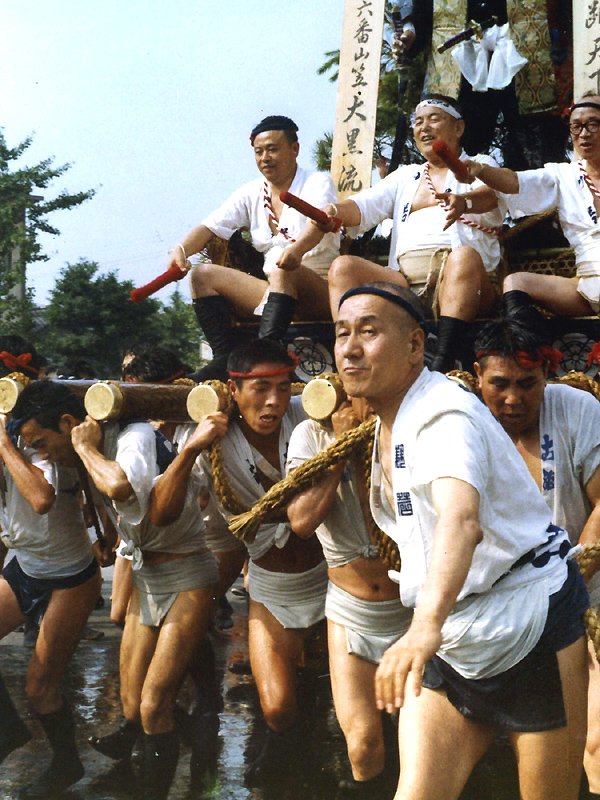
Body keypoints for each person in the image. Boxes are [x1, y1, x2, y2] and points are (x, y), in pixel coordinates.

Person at [334, 280, 589, 800]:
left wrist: (422, 628)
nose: (350, 348)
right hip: (451, 634)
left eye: (368, 331)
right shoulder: (392, 417)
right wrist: (431, 625)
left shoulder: (444, 414)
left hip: (528, 620)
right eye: (341, 333)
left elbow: (461, 519)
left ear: (415, 346)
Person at [11, 380, 218, 800]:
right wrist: (104, 533)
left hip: (188, 573)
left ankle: (185, 754)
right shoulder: (90, 446)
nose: (42, 454)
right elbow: (104, 499)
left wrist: (83, 447)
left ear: (68, 424)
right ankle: (200, 733)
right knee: (131, 704)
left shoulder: (133, 437)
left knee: (153, 705)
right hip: (147, 576)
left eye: (42, 443)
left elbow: (120, 487)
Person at [149, 338, 328, 787]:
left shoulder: (311, 413)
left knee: (339, 701)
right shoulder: (214, 438)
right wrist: (191, 449)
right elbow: (162, 514)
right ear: (233, 390)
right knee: (277, 707)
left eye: (283, 388)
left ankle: (305, 768)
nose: (273, 401)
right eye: (260, 388)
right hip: (271, 585)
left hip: (331, 581)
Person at [474, 318, 600, 798]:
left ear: (546, 376)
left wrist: (570, 585)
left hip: (586, 600)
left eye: (527, 384)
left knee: (596, 748)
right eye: (499, 384)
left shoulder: (576, 408)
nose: (513, 399)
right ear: (477, 376)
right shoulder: (462, 420)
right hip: (501, 611)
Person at [295, 95, 504, 372]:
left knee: (463, 257)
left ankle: (443, 360)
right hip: (406, 285)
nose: (424, 127)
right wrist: (334, 210)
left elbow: (493, 195)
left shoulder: (480, 164)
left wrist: (465, 202)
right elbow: (363, 206)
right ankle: (347, 353)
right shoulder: (406, 176)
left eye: (434, 119)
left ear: (458, 127)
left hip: (465, 283)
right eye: (418, 122)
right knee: (343, 267)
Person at [286, 397, 412, 798]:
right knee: (363, 747)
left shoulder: (413, 424)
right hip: (351, 609)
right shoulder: (311, 433)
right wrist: (339, 450)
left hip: (411, 610)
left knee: (417, 748)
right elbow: (301, 521)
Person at [0, 339, 107, 798]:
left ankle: (67, 763)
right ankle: (7, 734)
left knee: (40, 687)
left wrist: (4, 443)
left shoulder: (48, 440)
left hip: (70, 578)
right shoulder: (22, 434)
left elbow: (41, 499)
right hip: (24, 567)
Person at [169, 114, 340, 380]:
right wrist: (181, 250)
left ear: (294, 149)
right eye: (259, 152)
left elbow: (318, 225)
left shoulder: (318, 182)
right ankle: (224, 357)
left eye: (272, 149)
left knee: (283, 268)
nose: (265, 158)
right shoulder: (252, 191)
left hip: (318, 288)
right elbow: (211, 227)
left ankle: (264, 354)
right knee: (202, 275)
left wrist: (296, 252)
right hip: (277, 289)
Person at [464, 96, 600, 325]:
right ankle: (529, 348)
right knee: (516, 283)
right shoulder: (564, 175)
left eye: (593, 124)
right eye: (576, 126)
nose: (584, 134)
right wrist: (481, 170)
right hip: (587, 286)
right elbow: (515, 182)